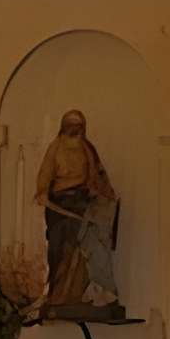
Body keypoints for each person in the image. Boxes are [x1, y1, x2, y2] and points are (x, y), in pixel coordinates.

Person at [33, 107, 119, 308]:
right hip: (59, 206)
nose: (74, 130)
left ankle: (77, 295)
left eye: (78, 126)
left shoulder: (87, 149)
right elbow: (44, 177)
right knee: (58, 247)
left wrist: (105, 193)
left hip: (81, 204)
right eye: (70, 126)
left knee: (84, 245)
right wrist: (43, 192)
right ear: (63, 127)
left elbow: (98, 174)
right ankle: (57, 294)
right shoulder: (55, 149)